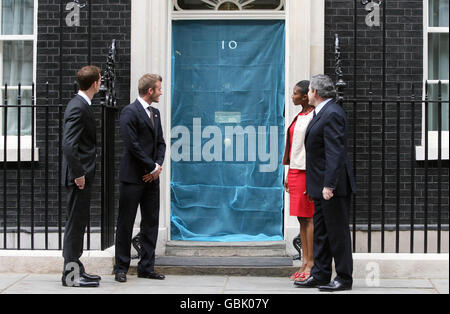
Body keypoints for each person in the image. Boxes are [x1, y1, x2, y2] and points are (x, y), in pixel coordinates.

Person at [295, 74, 356, 292]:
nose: (307, 92)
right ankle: (320, 274)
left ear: (316, 93)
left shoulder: (332, 114)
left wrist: (329, 185)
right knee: (321, 231)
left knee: (337, 233)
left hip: (332, 187)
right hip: (320, 185)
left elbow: (335, 153)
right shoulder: (322, 113)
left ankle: (344, 278)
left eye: (309, 89)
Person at [114, 74, 166, 283]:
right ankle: (121, 267)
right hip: (133, 178)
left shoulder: (156, 113)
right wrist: (150, 166)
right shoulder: (129, 112)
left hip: (151, 178)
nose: (161, 92)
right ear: (149, 91)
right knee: (125, 223)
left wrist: (157, 167)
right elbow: (132, 145)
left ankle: (146, 266)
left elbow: (161, 143)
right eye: (159, 89)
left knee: (151, 223)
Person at [61, 65, 102, 288]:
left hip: (82, 175)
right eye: (100, 79)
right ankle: (70, 275)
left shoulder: (82, 104)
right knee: (75, 224)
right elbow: (68, 145)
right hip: (78, 177)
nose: (101, 82)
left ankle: (77, 268)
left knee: (78, 223)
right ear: (95, 83)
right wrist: (78, 174)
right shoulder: (78, 106)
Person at [282, 80, 315, 283]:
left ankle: (311, 263)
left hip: (306, 172)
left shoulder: (313, 116)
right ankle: (304, 262)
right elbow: (294, 148)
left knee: (309, 218)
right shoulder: (299, 115)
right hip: (295, 170)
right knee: (301, 219)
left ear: (305, 96)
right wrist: (288, 173)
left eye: (295, 94)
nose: (292, 96)